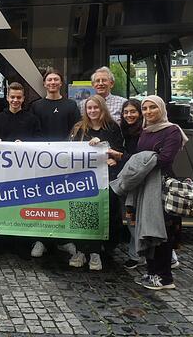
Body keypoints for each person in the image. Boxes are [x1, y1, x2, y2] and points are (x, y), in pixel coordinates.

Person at [134, 95, 187, 290]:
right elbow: (143, 157)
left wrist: (138, 163)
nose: (148, 112)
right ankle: (151, 272)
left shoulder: (172, 131)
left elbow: (165, 159)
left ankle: (164, 277)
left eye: (152, 108)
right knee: (147, 230)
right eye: (145, 108)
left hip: (163, 187)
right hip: (147, 184)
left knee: (161, 231)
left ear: (161, 109)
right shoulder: (146, 130)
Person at [68, 95, 125, 271]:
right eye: (89, 108)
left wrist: (105, 149)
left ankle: (95, 252)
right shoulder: (79, 128)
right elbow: (69, 149)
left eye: (95, 108)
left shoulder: (112, 127)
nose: (92, 111)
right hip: (81, 180)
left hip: (104, 179)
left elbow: (120, 151)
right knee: (80, 213)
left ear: (102, 109)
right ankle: (79, 251)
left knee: (99, 215)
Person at [0, 82, 42, 257]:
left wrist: (25, 146)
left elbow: (39, 144)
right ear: (7, 97)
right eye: (12, 97)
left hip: (24, 172)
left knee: (22, 207)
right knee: (1, 206)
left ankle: (22, 244)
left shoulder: (32, 119)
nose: (15, 100)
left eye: (19, 97)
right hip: (2, 173)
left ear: (23, 99)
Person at [29, 69, 80, 259]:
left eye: (56, 79)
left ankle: (64, 240)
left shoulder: (71, 105)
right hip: (42, 161)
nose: (52, 82)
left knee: (63, 200)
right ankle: (42, 239)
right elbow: (33, 131)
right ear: (44, 83)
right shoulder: (36, 106)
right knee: (42, 200)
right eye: (49, 79)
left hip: (65, 161)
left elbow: (76, 131)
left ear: (61, 83)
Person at [119, 98, 147, 270]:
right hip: (129, 179)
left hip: (141, 181)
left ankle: (167, 256)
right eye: (126, 112)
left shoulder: (145, 132)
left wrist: (119, 156)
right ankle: (136, 254)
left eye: (133, 112)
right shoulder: (124, 130)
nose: (129, 115)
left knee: (139, 219)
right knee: (131, 219)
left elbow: (141, 159)